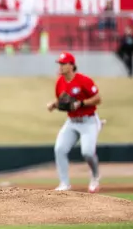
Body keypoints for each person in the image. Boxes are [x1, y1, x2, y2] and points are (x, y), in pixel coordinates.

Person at [46, 52, 102, 193]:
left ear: (71, 65)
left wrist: (81, 103)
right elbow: (63, 101)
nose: (60, 66)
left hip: (89, 120)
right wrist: (54, 104)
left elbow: (98, 99)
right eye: (59, 63)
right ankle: (64, 184)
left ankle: (95, 176)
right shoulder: (59, 82)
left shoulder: (83, 80)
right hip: (72, 121)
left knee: (88, 153)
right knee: (59, 149)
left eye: (63, 63)